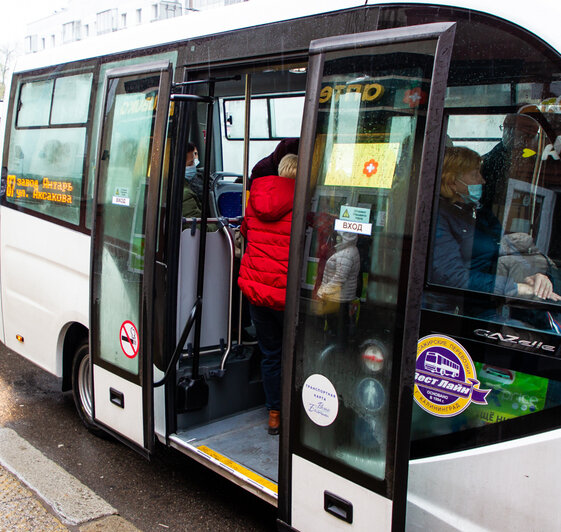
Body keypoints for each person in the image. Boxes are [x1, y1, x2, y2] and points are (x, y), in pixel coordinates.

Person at [430, 146, 559, 302]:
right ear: (452, 182)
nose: (482, 180)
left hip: (494, 290)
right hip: (463, 305)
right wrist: (517, 287)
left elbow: (496, 247)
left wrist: (531, 276)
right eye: (474, 175)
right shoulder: (439, 217)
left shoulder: (476, 210)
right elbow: (452, 276)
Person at [238, 153, 297, 435]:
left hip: (256, 291)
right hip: (286, 296)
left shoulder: (255, 199)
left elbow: (246, 233)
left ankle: (275, 414)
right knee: (296, 353)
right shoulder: (302, 206)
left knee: (270, 353)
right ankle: (301, 413)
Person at [481, 114, 539, 212]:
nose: (529, 141)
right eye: (527, 136)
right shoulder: (491, 160)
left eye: (532, 137)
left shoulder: (532, 157)